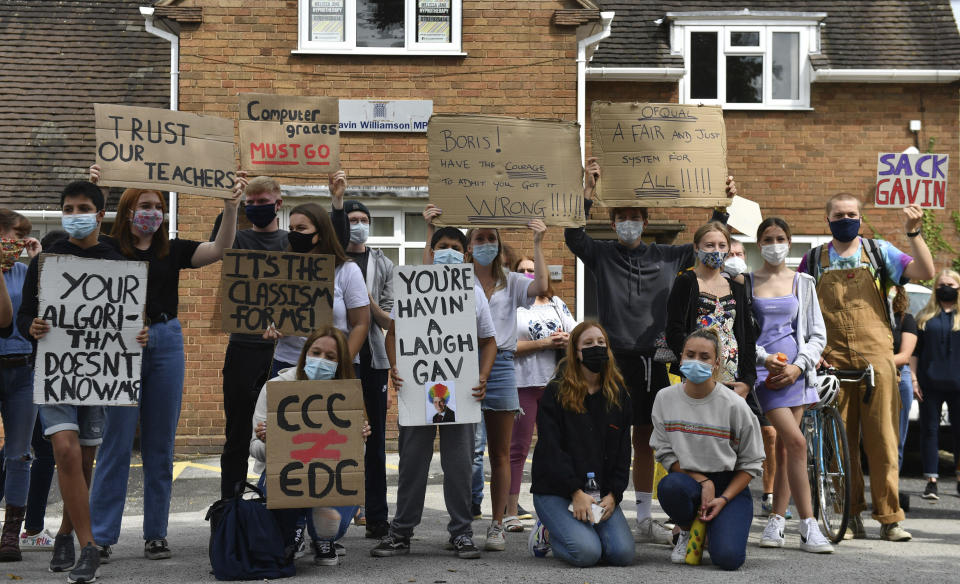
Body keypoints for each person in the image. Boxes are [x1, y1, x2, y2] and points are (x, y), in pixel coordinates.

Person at [564, 157, 735, 544]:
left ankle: (643, 517)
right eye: (621, 216)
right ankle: (606, 507)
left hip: (654, 358)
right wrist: (587, 190)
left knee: (646, 438)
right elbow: (573, 238)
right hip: (612, 359)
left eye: (634, 217)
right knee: (609, 436)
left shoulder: (666, 255)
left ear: (645, 221)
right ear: (612, 223)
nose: (628, 222)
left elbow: (706, 242)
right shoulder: (602, 253)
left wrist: (720, 206)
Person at [85, 164, 244, 561]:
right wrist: (93, 190)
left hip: (167, 340)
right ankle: (102, 535)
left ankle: (156, 533)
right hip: (121, 344)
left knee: (161, 445)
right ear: (127, 212)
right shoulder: (107, 247)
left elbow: (220, 249)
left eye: (158, 206)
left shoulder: (171, 249)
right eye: (145, 205)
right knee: (116, 443)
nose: (153, 212)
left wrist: (230, 206)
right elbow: (82, 240)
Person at [16, 181, 148, 583]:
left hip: (100, 374)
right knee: (66, 453)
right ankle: (89, 546)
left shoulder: (120, 259)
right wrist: (33, 327)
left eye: (83, 207)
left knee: (85, 459)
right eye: (69, 208)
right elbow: (22, 319)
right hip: (55, 371)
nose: (76, 214)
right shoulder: (46, 262)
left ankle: (64, 533)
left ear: (100, 214)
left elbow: (134, 317)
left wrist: (140, 333)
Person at [799, 194, 934, 541]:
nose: (846, 218)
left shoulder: (879, 252)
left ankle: (890, 518)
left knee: (883, 441)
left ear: (860, 217)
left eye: (852, 214)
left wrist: (914, 233)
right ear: (827, 219)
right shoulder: (813, 259)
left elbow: (926, 272)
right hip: (831, 359)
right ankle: (848, 514)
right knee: (838, 445)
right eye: (839, 214)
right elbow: (796, 309)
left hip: (876, 358)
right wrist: (810, 352)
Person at [421, 205, 549, 550]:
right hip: (457, 363)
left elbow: (542, 285)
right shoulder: (454, 277)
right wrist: (428, 230)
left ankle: (497, 524)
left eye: (491, 238)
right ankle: (461, 526)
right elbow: (421, 284)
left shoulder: (513, 281)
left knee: (500, 452)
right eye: (479, 238)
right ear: (469, 247)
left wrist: (538, 241)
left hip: (503, 364)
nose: (486, 243)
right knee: (461, 452)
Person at [216, 171, 346, 499]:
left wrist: (337, 202)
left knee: (288, 431)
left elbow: (335, 248)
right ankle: (230, 509)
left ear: (278, 204)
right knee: (238, 434)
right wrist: (231, 201)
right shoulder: (239, 239)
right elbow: (219, 244)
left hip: (284, 354)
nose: (257, 207)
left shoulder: (293, 243)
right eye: (252, 203)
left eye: (263, 202)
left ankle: (283, 503)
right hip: (243, 349)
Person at [372, 226, 497, 560]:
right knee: (412, 462)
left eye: (455, 247)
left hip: (459, 388)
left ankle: (461, 533)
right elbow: (393, 335)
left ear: (465, 253)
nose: (449, 251)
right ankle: (400, 533)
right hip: (417, 388)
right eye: (442, 246)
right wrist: (394, 368)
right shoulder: (412, 287)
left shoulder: (472, 290)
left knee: (459, 463)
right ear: (431, 249)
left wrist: (483, 376)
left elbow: (489, 341)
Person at [746, 218, 833, 553]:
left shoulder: (803, 282)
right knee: (797, 444)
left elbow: (817, 334)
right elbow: (741, 334)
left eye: (780, 237)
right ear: (758, 244)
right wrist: (765, 359)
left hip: (797, 375)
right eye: (768, 238)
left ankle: (776, 522)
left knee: (785, 449)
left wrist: (798, 366)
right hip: (766, 375)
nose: (775, 243)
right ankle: (809, 526)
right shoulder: (746, 282)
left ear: (789, 240)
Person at [250, 326, 370, 567]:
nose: (320, 360)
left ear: (340, 362)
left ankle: (324, 538)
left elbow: (355, 459)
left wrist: (360, 440)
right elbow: (254, 449)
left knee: (333, 519)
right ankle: (294, 530)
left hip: (329, 476)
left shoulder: (348, 395)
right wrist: (269, 441)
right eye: (315, 352)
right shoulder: (277, 388)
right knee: (289, 489)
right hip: (286, 476)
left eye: (330, 357)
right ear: (305, 354)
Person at [651, 329, 765, 571]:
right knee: (670, 487)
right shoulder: (664, 399)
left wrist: (723, 498)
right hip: (687, 480)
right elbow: (664, 453)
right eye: (690, 355)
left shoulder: (735, 405)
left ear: (716, 363)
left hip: (729, 486)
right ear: (680, 358)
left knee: (728, 559)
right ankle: (685, 528)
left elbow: (751, 463)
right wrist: (703, 482)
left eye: (704, 357)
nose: (696, 361)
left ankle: (714, 529)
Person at [528, 321, 634, 568]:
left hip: (600, 492)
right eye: (588, 344)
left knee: (622, 554)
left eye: (601, 343)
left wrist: (614, 496)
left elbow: (622, 453)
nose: (595, 348)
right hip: (557, 490)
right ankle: (548, 532)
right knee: (587, 554)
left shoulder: (618, 395)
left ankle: (578, 529)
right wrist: (576, 493)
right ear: (575, 352)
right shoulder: (555, 392)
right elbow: (551, 450)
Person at [504, 255, 576, 533]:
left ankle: (558, 508)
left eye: (532, 270)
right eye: (521, 271)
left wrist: (566, 339)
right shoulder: (511, 304)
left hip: (554, 385)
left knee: (558, 447)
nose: (527, 274)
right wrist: (544, 342)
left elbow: (576, 334)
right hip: (521, 383)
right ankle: (510, 511)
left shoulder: (557, 304)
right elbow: (506, 345)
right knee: (517, 449)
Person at [264, 202, 370, 372]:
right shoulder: (281, 270)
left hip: (333, 365)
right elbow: (270, 313)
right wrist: (271, 326)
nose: (294, 234)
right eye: (291, 229)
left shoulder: (347, 270)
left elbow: (361, 324)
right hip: (288, 363)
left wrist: (342, 364)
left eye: (301, 228)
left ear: (320, 233)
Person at [341, 200, 394, 539]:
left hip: (373, 359)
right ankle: (338, 516)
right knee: (339, 438)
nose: (359, 224)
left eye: (364, 219)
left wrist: (365, 299)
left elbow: (389, 319)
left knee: (372, 441)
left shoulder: (384, 264)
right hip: (338, 358)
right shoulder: (330, 260)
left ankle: (376, 516)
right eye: (352, 220)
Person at [665, 221, 757, 399]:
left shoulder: (736, 286)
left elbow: (748, 337)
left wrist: (748, 381)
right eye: (709, 245)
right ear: (696, 247)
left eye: (722, 245)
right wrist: (693, 363)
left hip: (732, 379)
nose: (716, 250)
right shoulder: (686, 282)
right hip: (696, 376)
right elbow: (674, 330)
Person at [0, 210, 41, 562]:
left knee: (19, 453)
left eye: (25, 234)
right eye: (16, 233)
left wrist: (38, 261)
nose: (20, 239)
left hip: (25, 368)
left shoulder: (27, 272)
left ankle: (11, 535)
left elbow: (50, 307)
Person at [910, 269, 960, 500]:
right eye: (941, 284)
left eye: (950, 284)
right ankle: (931, 481)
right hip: (930, 383)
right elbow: (915, 353)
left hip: (957, 384)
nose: (946, 287)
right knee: (930, 431)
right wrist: (913, 378)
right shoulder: (924, 318)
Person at [890, 286, 918, 471]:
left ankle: (892, 487)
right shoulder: (871, 320)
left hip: (899, 376)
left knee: (897, 438)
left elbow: (905, 356)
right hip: (871, 376)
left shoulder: (906, 320)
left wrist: (876, 362)